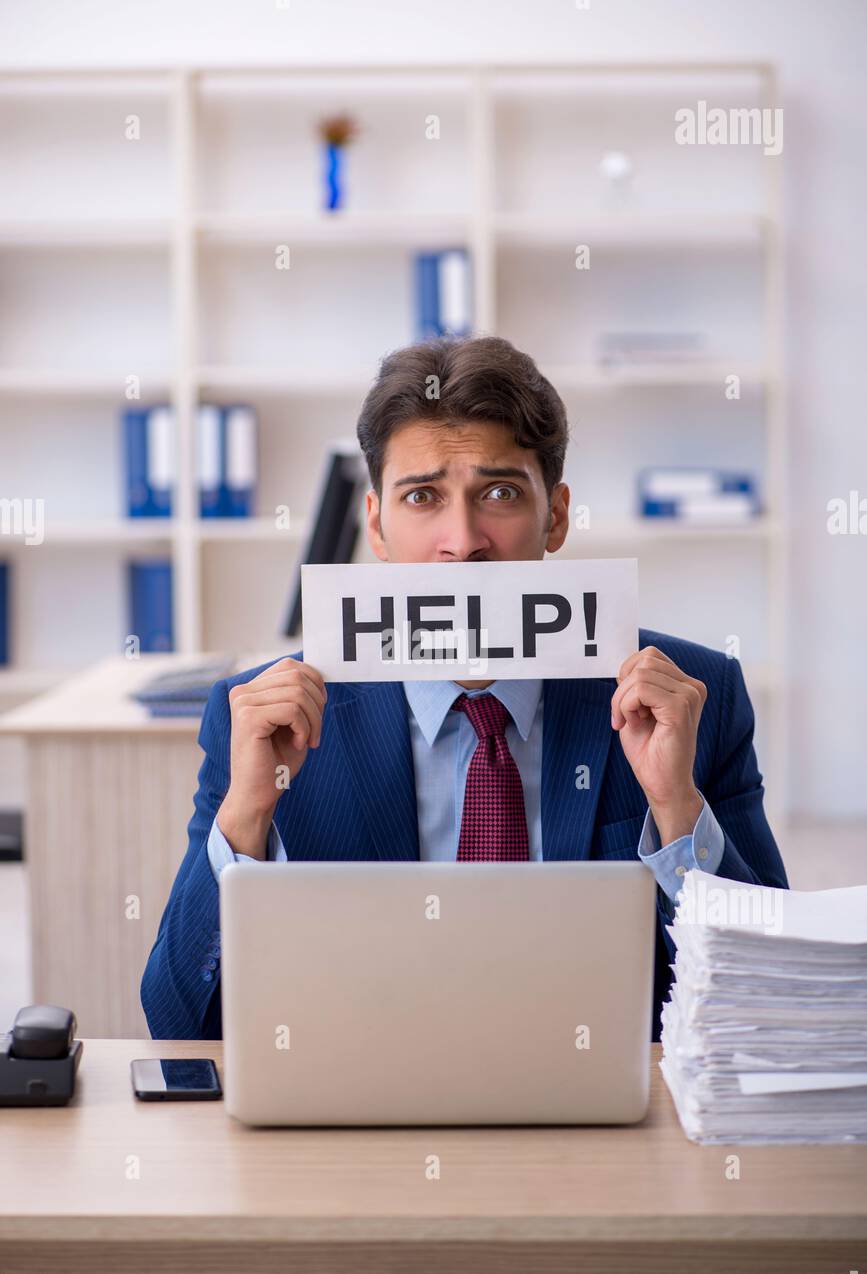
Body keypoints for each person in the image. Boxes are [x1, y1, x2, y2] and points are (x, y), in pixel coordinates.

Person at [141, 335, 788, 1041]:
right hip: (366, 1103)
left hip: (603, 1108)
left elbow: (770, 1007)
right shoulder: (263, 721)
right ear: (377, 526)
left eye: (500, 493)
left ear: (556, 516)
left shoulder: (695, 696)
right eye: (422, 496)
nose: (462, 540)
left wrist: (674, 807)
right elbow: (178, 1020)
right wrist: (246, 820)